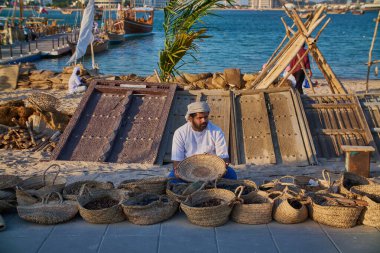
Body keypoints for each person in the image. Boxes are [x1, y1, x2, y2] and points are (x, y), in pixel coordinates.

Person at [168, 101, 237, 181]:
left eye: (206, 117)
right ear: (190, 118)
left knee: (232, 175)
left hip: (212, 169)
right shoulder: (180, 133)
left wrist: (223, 167)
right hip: (188, 169)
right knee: (171, 179)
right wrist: (179, 172)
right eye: (199, 118)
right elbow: (177, 161)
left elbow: (223, 157)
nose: (204, 120)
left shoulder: (216, 131)